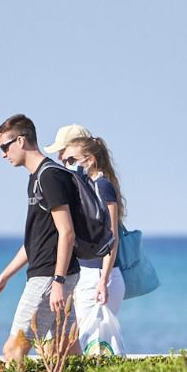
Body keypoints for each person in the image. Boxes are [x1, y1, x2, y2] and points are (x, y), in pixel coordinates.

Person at [0, 114, 82, 358]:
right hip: (54, 275)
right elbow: (35, 242)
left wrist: (58, 282)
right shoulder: (38, 178)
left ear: (21, 141)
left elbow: (67, 232)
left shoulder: (50, 177)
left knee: (14, 348)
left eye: (5, 147)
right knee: (63, 352)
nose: (3, 154)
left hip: (50, 277)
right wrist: (3, 278)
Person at [60, 136, 126, 352]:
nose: (66, 164)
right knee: (89, 342)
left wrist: (103, 280)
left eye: (71, 159)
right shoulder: (88, 187)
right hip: (89, 276)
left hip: (99, 276)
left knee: (93, 344)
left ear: (88, 160)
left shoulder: (102, 186)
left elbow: (111, 238)